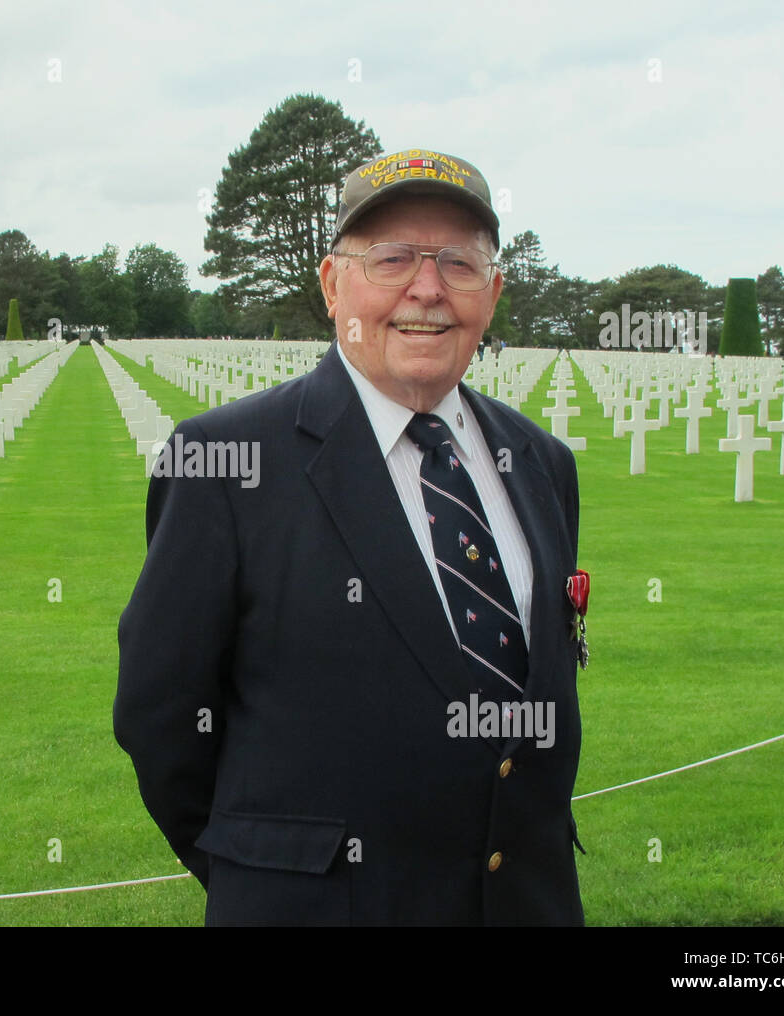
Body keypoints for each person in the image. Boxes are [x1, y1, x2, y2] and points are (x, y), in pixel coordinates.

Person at [114, 148, 586, 926]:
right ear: (335, 286)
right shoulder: (227, 463)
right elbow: (161, 715)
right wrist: (262, 872)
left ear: (492, 293)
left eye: (459, 264)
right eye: (393, 258)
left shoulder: (542, 463)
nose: (427, 289)